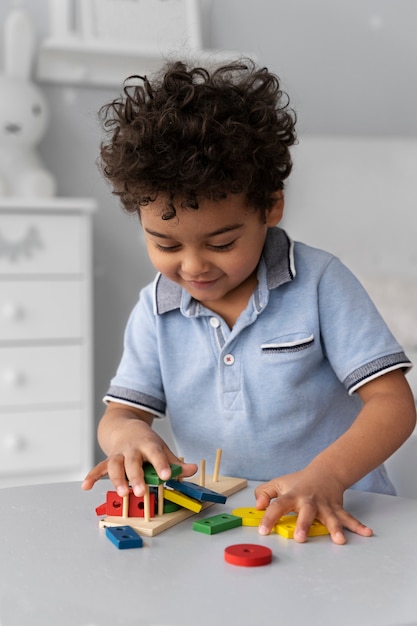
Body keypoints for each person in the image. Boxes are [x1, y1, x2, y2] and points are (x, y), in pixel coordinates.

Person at [82, 58, 416, 544]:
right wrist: (128, 438)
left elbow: (393, 403)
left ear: (270, 207)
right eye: (168, 245)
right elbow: (122, 414)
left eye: (221, 243)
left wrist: (329, 475)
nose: (194, 267)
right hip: (223, 524)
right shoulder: (156, 309)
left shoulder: (321, 282)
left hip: (340, 513)